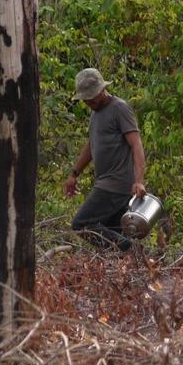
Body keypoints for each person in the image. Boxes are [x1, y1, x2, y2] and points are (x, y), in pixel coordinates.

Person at [64, 68, 146, 251]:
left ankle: (130, 249)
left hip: (115, 184)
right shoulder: (95, 114)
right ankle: (127, 264)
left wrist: (139, 181)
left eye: (91, 97)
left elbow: (136, 145)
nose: (88, 102)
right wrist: (74, 173)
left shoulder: (119, 108)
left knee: (82, 224)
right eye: (85, 99)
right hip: (106, 182)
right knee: (111, 234)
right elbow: (91, 146)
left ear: (102, 90)